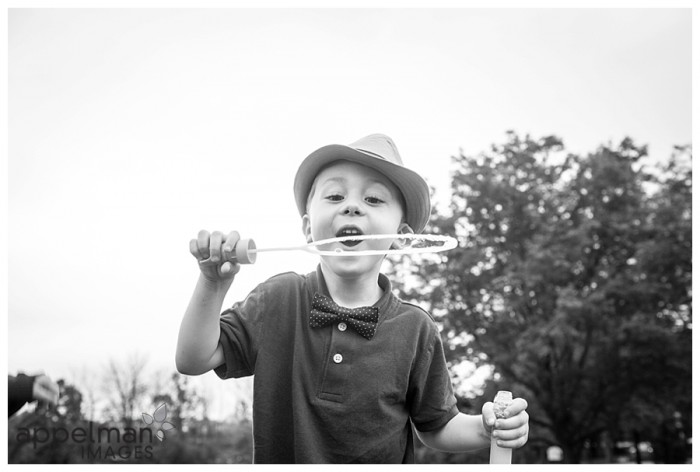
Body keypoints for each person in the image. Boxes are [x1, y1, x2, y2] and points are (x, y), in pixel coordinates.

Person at [176, 134, 529, 463]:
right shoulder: (278, 299)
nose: (352, 207)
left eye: (373, 199)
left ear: (402, 237)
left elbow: (437, 426)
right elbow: (194, 358)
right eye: (334, 196)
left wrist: (486, 427)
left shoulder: (415, 329)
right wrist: (212, 283)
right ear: (307, 228)